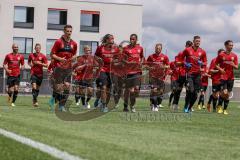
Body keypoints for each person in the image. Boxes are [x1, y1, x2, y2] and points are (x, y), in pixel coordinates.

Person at [50, 24, 77, 111]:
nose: (69, 33)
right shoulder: (58, 42)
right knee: (58, 88)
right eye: (67, 31)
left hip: (68, 68)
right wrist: (60, 59)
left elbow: (74, 55)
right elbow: (52, 55)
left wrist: (74, 58)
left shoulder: (74, 43)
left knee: (67, 86)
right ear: (64, 31)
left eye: (70, 31)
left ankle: (62, 106)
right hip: (58, 67)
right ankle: (55, 97)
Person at [179, 36, 207, 113]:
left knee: (195, 94)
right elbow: (180, 60)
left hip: (198, 75)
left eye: (199, 41)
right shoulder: (187, 50)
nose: (198, 42)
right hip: (189, 74)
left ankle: (189, 108)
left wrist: (202, 64)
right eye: (197, 41)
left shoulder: (202, 52)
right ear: (193, 41)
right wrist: (185, 63)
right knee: (190, 91)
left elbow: (205, 63)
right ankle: (186, 105)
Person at [95, 34, 120, 112]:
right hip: (102, 70)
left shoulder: (116, 49)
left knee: (109, 90)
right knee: (103, 88)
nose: (113, 40)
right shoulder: (100, 48)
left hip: (111, 71)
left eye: (113, 38)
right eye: (111, 39)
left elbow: (118, 59)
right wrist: (98, 61)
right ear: (106, 40)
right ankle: (104, 105)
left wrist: (115, 62)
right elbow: (95, 57)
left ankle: (105, 103)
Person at [122, 34, 144, 112]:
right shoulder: (125, 49)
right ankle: (127, 106)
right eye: (131, 39)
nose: (132, 40)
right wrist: (127, 62)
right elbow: (122, 59)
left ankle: (132, 105)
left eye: (133, 39)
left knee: (136, 90)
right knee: (130, 90)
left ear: (136, 40)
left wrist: (141, 62)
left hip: (137, 71)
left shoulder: (140, 48)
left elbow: (142, 57)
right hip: (128, 72)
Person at [215, 40, 238, 115]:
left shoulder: (234, 56)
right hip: (223, 77)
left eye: (232, 45)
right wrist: (220, 69)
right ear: (226, 46)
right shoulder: (221, 55)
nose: (231, 47)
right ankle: (219, 107)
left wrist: (233, 64)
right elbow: (216, 64)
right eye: (230, 45)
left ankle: (224, 109)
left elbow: (237, 67)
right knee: (224, 92)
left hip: (231, 78)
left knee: (227, 95)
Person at [146, 43, 169, 112]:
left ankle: (155, 103)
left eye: (159, 48)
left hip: (161, 77)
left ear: (161, 49)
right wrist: (150, 67)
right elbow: (146, 66)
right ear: (155, 48)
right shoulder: (151, 57)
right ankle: (155, 106)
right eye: (157, 48)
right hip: (153, 77)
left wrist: (164, 68)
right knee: (154, 90)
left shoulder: (164, 57)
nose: (158, 49)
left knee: (160, 92)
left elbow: (168, 66)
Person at [175, 41, 193, 111]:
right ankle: (175, 104)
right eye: (188, 46)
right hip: (181, 74)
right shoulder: (181, 53)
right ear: (185, 46)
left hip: (189, 74)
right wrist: (183, 63)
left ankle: (187, 106)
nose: (189, 47)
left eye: (190, 46)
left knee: (189, 90)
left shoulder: (192, 54)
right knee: (178, 90)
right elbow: (176, 63)